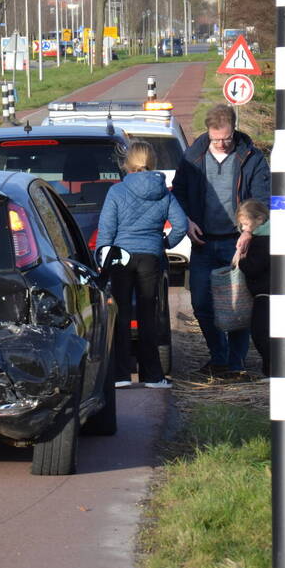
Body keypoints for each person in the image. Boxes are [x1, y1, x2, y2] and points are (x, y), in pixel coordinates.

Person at [172, 104, 271, 376]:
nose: (222, 144)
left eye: (227, 138)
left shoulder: (251, 158)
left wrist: (249, 231)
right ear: (208, 132)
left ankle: (236, 363)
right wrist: (187, 221)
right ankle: (219, 356)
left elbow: (262, 199)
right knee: (201, 303)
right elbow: (178, 193)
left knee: (238, 306)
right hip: (203, 242)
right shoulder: (192, 157)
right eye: (216, 139)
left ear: (234, 129)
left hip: (237, 243)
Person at [96, 141, 188, 388]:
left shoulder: (117, 191)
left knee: (121, 313)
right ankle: (153, 376)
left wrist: (102, 259)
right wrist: (164, 243)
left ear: (127, 164)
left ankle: (121, 375)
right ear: (152, 162)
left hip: (121, 257)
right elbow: (181, 225)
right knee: (148, 314)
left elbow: (107, 229)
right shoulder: (163, 192)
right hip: (150, 257)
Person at [233, 199, 271, 377]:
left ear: (260, 219)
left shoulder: (262, 241)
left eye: (246, 224)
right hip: (267, 291)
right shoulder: (268, 236)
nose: (244, 229)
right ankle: (270, 369)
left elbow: (254, 267)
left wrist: (241, 261)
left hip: (265, 292)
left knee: (260, 333)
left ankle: (272, 370)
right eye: (242, 225)